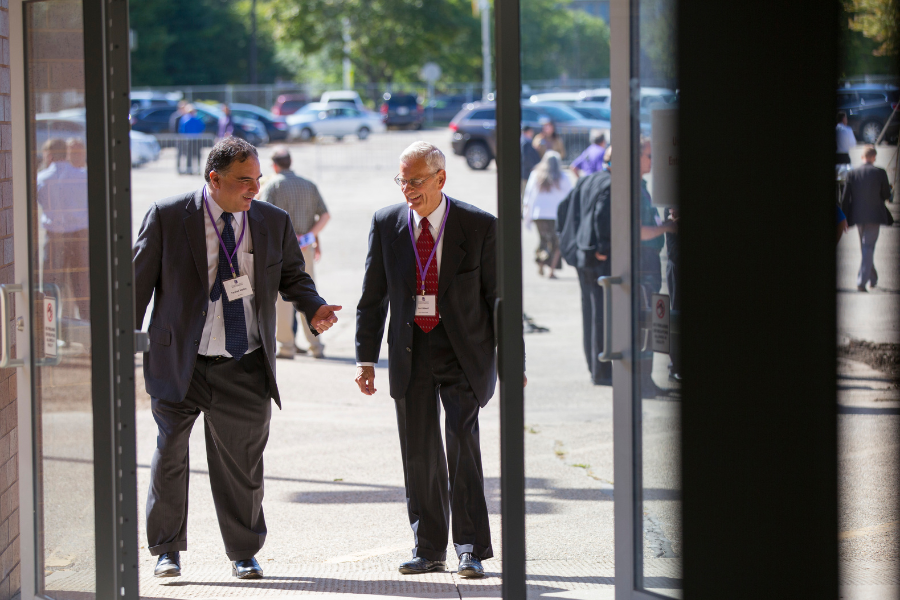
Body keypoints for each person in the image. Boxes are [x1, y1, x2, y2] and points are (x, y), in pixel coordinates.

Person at [133, 137, 341, 580]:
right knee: (170, 452)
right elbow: (135, 289)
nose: (254, 189)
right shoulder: (169, 216)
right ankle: (166, 549)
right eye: (244, 181)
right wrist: (122, 346)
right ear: (215, 179)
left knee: (243, 465)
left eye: (258, 180)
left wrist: (314, 307)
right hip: (178, 363)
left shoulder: (272, 220)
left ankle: (243, 551)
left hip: (243, 362)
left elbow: (293, 276)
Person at [355, 142, 522, 578]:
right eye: (402, 180)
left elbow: (501, 300)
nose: (407, 189)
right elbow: (372, 298)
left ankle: (470, 548)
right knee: (420, 455)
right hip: (411, 354)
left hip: (464, 353)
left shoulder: (479, 225)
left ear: (440, 179)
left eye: (415, 180)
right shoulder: (386, 223)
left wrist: (513, 361)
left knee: (463, 447)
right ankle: (428, 547)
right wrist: (365, 359)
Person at [257, 146, 331, 359]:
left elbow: (262, 215)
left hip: (281, 247)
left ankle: (286, 346)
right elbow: (325, 215)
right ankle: (315, 345)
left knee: (283, 300)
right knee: (309, 294)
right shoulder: (309, 185)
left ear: (274, 165)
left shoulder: (273, 185)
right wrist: (309, 236)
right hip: (305, 246)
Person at [557, 166, 612, 385]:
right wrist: (603, 248)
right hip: (597, 257)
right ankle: (601, 370)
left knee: (590, 311)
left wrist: (568, 239)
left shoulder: (587, 180)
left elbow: (563, 208)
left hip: (582, 254)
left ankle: (594, 367)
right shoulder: (609, 184)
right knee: (601, 312)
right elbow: (601, 215)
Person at [637, 137, 676, 397]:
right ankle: (644, 381)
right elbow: (639, 231)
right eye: (649, 156)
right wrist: (666, 227)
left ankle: (646, 379)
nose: (652, 161)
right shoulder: (634, 189)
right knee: (646, 322)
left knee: (652, 322)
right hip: (644, 264)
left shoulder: (642, 186)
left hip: (650, 263)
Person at [36, 138, 89, 322]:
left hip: (55, 237)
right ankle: (86, 328)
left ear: (49, 155)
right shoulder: (82, 176)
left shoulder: (41, 178)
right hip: (80, 236)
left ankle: (50, 329)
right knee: (82, 286)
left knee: (52, 286)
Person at [840, 145, 893, 292]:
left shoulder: (852, 174)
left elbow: (845, 198)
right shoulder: (880, 172)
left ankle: (872, 278)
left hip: (857, 216)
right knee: (868, 247)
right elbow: (886, 196)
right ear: (874, 157)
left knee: (865, 247)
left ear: (862, 157)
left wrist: (844, 218)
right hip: (875, 215)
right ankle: (862, 281)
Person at [522, 150, 572, 277]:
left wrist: (527, 216)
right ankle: (552, 270)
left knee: (543, 240)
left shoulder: (535, 175)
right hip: (556, 216)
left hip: (539, 215)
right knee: (556, 244)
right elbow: (571, 196)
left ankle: (541, 263)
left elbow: (528, 196)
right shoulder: (563, 177)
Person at [177, 105, 206, 175]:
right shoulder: (198, 119)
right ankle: (197, 169)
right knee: (196, 155)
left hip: (188, 139)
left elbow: (182, 130)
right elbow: (202, 128)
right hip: (196, 139)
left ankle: (189, 169)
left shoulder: (185, 119)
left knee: (189, 155)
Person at [520, 125, 541, 197]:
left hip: (525, 171)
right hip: (526, 172)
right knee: (525, 193)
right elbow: (526, 158)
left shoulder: (525, 141)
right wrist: (531, 167)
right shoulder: (525, 143)